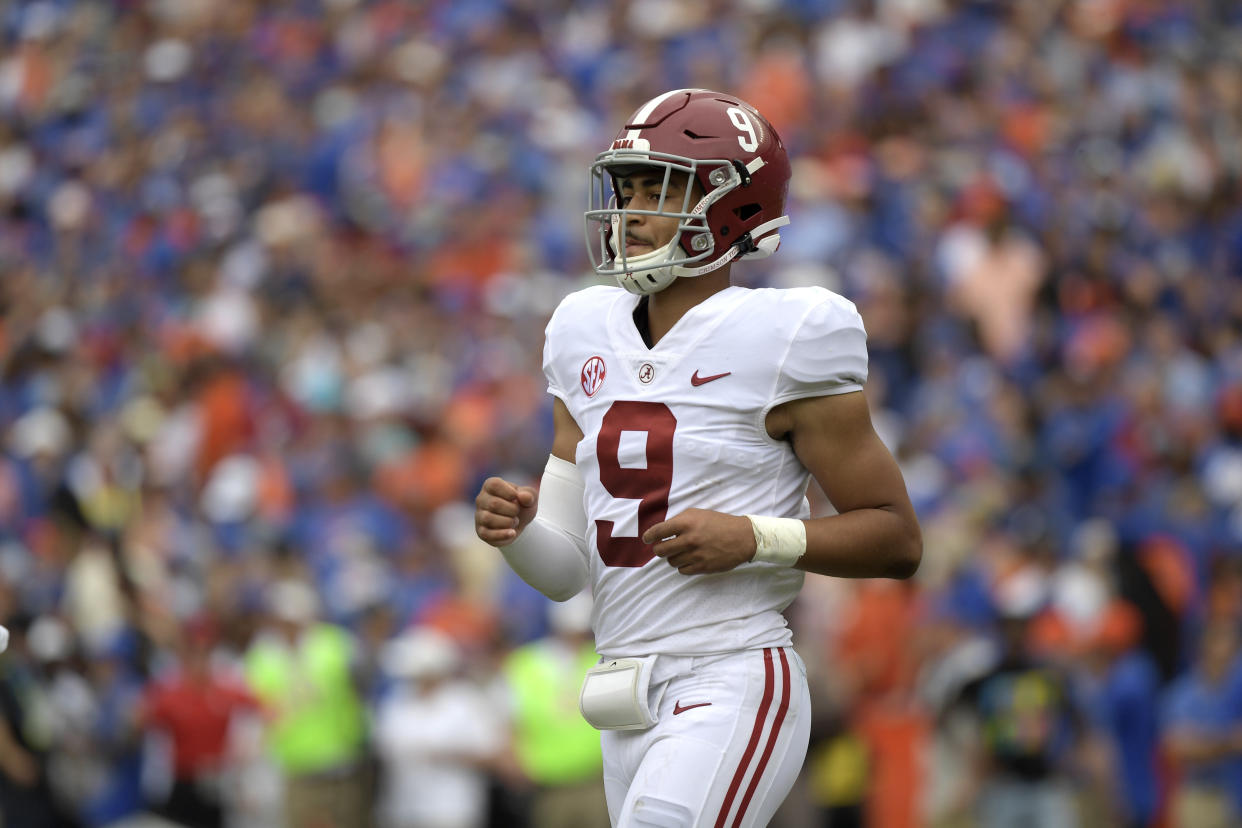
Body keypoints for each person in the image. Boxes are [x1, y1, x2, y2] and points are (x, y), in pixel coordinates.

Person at [473, 88, 922, 828]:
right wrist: (516, 532)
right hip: (622, 691)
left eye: (662, 188)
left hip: (732, 670)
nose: (634, 210)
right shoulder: (581, 327)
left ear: (732, 206)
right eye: (630, 187)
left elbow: (897, 538)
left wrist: (755, 538)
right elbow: (564, 576)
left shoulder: (790, 333)